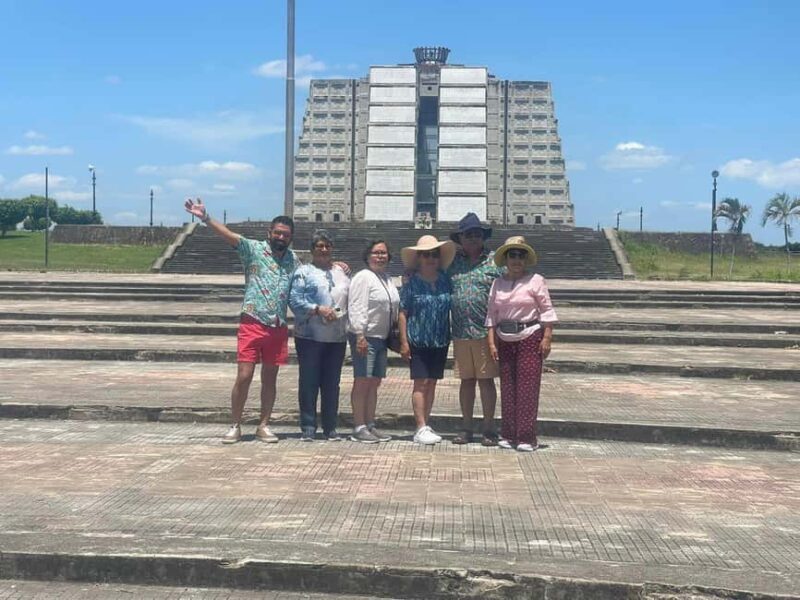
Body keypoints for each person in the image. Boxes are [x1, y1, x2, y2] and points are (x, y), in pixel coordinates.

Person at [184, 198, 299, 444]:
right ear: (270, 233)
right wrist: (205, 217)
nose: (281, 237)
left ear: (290, 238)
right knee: (245, 375)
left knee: (270, 378)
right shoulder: (253, 249)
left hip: (278, 326)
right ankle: (235, 424)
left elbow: (306, 281)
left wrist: (337, 267)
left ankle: (263, 425)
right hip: (252, 322)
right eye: (277, 233)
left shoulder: (294, 260)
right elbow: (227, 235)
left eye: (285, 235)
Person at [485, 236, 558, 452]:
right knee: (508, 388)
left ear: (525, 259)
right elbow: (491, 314)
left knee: (527, 388)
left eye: (520, 255)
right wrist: (491, 342)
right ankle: (508, 434)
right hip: (505, 339)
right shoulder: (497, 282)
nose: (516, 260)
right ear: (505, 259)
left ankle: (526, 437)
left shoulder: (536, 280)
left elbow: (546, 310)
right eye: (512, 255)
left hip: (530, 335)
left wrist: (547, 337)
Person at [446, 213, 503, 446]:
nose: (472, 238)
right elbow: (426, 269)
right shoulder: (452, 263)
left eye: (477, 235)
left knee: (486, 381)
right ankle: (466, 427)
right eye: (468, 234)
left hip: (485, 333)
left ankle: (489, 427)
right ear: (460, 238)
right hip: (460, 332)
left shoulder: (494, 262)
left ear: (483, 238)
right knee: (466, 381)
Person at [289, 230, 350, 442]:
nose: (323, 250)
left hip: (337, 337)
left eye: (327, 246)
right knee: (309, 381)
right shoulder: (303, 272)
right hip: (309, 336)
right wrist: (317, 309)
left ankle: (330, 426)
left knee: (332, 383)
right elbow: (295, 301)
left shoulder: (342, 272)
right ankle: (308, 425)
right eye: (319, 246)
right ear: (312, 249)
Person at [398, 235, 455, 445]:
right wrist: (404, 342)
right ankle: (420, 426)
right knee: (420, 383)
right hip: (418, 340)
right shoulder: (411, 282)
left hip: (440, 340)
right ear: (419, 258)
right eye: (425, 255)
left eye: (434, 254)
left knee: (431, 383)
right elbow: (403, 312)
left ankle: (426, 424)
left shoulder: (445, 280)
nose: (430, 258)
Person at [346, 239, 399, 443]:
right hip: (365, 337)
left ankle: (370, 423)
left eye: (383, 253)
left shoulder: (386, 278)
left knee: (374, 382)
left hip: (381, 338)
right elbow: (357, 305)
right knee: (362, 381)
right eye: (376, 253)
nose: (380, 256)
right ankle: (359, 426)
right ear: (368, 256)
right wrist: (359, 334)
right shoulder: (363, 277)